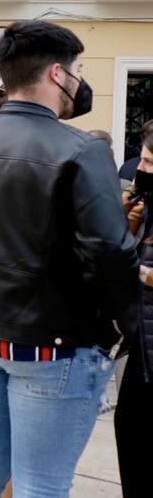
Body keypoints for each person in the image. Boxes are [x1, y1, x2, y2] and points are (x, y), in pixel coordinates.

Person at [0, 21, 137, 497]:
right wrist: (120, 326)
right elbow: (112, 249)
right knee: (42, 483)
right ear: (58, 74)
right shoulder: (83, 149)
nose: (81, 82)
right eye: (79, 70)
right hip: (55, 342)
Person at [117, 136, 153, 497]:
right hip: (141, 337)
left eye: (148, 162)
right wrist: (128, 223)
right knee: (129, 425)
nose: (139, 169)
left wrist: (140, 272)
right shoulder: (143, 205)